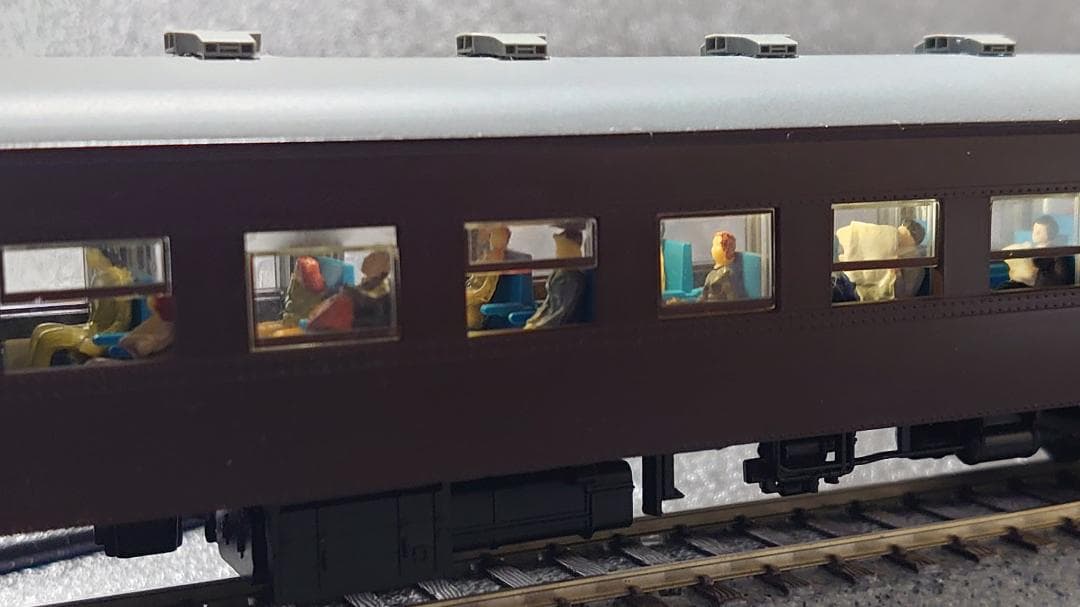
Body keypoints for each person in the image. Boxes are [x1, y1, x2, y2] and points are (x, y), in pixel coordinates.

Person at [28, 248, 134, 367]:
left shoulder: (119, 280)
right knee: (40, 330)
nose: (87, 256)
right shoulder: (98, 277)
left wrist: (98, 341)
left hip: (101, 334)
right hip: (91, 328)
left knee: (47, 338)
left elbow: (123, 322)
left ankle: (39, 377)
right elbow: (93, 317)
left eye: (91, 251)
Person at [524, 227, 589, 330]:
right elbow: (548, 304)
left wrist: (539, 328)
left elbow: (561, 313)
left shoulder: (573, 279)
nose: (558, 252)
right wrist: (533, 321)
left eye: (561, 249)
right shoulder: (558, 272)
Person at [701, 231, 747, 302]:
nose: (712, 249)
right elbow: (704, 295)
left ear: (726, 250)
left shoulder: (727, 274)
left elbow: (732, 296)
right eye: (713, 246)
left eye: (715, 246)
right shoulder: (711, 274)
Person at [893, 218, 928, 299]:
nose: (897, 238)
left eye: (901, 235)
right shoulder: (898, 251)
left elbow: (906, 294)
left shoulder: (914, 261)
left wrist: (897, 272)